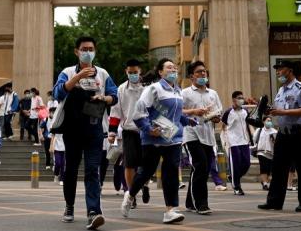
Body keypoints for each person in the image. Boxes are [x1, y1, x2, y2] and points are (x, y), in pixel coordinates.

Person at [121, 58, 197, 224]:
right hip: (153, 139)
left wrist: (186, 120)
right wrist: (148, 129)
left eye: (175, 67)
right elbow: (139, 112)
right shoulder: (153, 89)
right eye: (169, 67)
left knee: (170, 174)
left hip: (174, 139)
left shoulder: (177, 91)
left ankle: (171, 210)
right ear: (160, 72)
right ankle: (130, 194)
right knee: (145, 173)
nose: (173, 70)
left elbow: (173, 114)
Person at [53, 36, 118, 230]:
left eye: (91, 48)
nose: (87, 51)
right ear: (77, 51)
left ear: (95, 51)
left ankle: (93, 212)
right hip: (72, 130)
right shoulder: (67, 72)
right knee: (70, 170)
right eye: (84, 49)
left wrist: (104, 97)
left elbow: (114, 96)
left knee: (92, 170)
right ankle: (69, 206)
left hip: (94, 129)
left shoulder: (103, 74)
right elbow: (58, 93)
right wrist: (78, 77)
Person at [258, 60, 301, 213]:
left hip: (298, 133)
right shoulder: (281, 90)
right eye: (277, 70)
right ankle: (274, 202)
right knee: (278, 169)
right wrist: (270, 110)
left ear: (289, 70)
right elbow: (279, 110)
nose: (278, 72)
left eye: (280, 69)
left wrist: (283, 112)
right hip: (283, 133)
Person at [181, 61, 223, 214]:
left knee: (201, 169)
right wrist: (194, 111)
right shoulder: (185, 93)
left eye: (204, 71)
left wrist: (215, 118)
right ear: (192, 76)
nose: (203, 74)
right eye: (199, 72)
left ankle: (190, 202)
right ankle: (201, 204)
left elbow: (218, 112)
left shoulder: (213, 93)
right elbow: (178, 111)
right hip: (191, 134)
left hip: (208, 135)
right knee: (201, 165)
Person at [108, 59, 147, 207]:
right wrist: (112, 132)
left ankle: (144, 186)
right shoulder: (121, 89)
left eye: (135, 72)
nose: (132, 75)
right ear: (126, 72)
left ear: (140, 71)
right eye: (130, 73)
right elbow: (115, 111)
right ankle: (131, 194)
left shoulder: (148, 88)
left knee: (145, 165)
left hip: (146, 131)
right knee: (129, 164)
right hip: (129, 131)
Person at [220, 91, 251, 196]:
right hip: (233, 142)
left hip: (244, 140)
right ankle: (237, 187)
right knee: (236, 164)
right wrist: (226, 139)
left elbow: (248, 125)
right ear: (234, 99)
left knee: (246, 163)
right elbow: (223, 126)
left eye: (242, 97)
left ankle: (232, 177)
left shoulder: (245, 111)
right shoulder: (228, 112)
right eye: (239, 98)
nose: (241, 99)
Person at [254, 116, 277, 190]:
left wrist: (274, 141)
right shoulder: (259, 130)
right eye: (267, 120)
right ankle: (265, 184)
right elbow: (254, 139)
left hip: (271, 153)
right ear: (263, 122)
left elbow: (277, 143)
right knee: (263, 167)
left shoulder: (274, 131)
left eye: (270, 120)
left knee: (268, 169)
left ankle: (265, 181)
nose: (269, 122)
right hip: (261, 152)